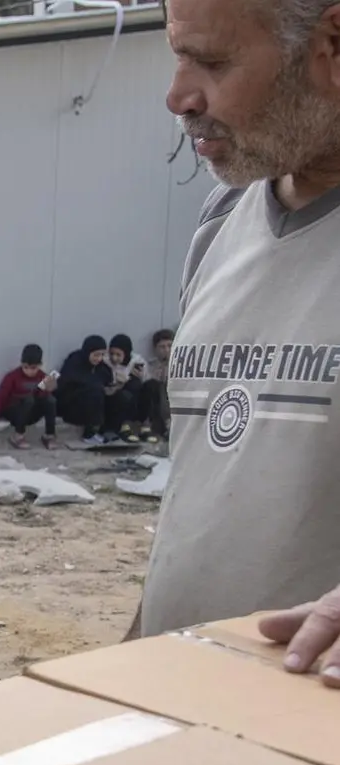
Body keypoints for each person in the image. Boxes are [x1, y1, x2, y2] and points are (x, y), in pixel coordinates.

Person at [135, 0, 340, 677]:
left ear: (332, 45)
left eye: (213, 62)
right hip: (184, 714)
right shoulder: (224, 218)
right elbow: (198, 508)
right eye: (177, 55)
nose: (178, 96)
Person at [0, 343, 59, 449]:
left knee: (50, 400)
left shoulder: (42, 376)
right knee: (28, 400)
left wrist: (49, 388)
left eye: (33, 368)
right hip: (14, 411)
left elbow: (42, 397)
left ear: (39, 365)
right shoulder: (12, 376)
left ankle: (49, 435)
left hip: (31, 412)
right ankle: (18, 436)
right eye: (26, 367)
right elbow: (0, 396)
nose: (29, 371)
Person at [55, 335, 119, 443]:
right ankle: (89, 434)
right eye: (96, 355)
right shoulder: (74, 361)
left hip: (94, 406)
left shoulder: (102, 367)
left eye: (102, 355)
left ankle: (108, 430)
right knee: (94, 391)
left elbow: (108, 380)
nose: (99, 358)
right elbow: (63, 382)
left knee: (120, 396)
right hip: (72, 407)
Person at [106, 332, 149, 442]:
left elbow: (145, 379)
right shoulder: (106, 362)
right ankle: (123, 426)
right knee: (123, 395)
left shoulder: (136, 362)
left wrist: (138, 375)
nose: (114, 358)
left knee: (138, 384)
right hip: (114, 397)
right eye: (112, 354)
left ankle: (142, 425)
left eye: (118, 355)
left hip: (133, 398)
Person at [139, 327, 174, 441]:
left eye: (169, 346)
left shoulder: (180, 364)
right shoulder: (149, 364)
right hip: (155, 404)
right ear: (155, 348)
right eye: (162, 347)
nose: (166, 350)